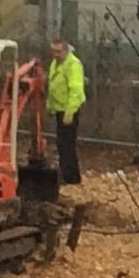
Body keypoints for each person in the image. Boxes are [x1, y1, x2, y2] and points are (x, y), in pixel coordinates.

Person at [46, 36, 85, 186]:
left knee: (67, 144)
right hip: (59, 109)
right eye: (53, 51)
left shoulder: (73, 65)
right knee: (62, 143)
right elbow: (53, 87)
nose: (55, 54)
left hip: (68, 110)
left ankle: (71, 176)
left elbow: (76, 90)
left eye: (58, 51)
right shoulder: (56, 64)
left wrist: (70, 113)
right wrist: (50, 106)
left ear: (66, 50)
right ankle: (66, 173)